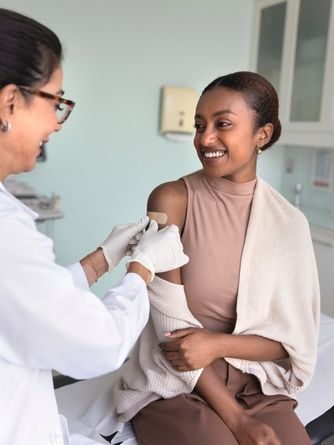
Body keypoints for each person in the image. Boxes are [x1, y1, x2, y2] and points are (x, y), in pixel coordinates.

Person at [0, 8, 189, 445]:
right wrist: (141, 269)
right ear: (10, 102)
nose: (56, 123)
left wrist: (98, 261)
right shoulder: (6, 231)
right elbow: (97, 344)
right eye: (55, 102)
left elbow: (26, 304)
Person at [107, 71, 319, 445]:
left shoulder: (290, 224)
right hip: (175, 381)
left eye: (223, 124)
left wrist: (218, 345)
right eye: (199, 125)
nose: (205, 139)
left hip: (256, 384)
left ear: (262, 135)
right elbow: (169, 329)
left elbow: (292, 341)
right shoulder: (170, 200)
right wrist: (237, 421)